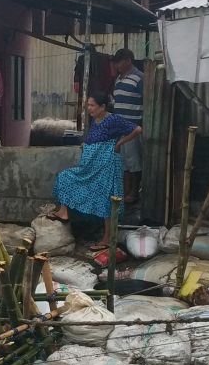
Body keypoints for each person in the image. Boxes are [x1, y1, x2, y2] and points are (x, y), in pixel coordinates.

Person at [50, 90, 142, 248]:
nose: (89, 108)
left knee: (106, 200)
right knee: (65, 177)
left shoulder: (112, 120)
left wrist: (119, 143)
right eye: (88, 105)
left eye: (92, 105)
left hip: (106, 166)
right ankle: (64, 212)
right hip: (90, 168)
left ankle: (107, 239)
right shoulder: (95, 121)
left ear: (103, 107)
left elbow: (137, 129)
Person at [110, 48, 144, 203]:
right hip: (120, 127)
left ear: (128, 61)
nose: (117, 65)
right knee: (123, 162)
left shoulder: (139, 78)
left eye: (119, 62)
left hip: (133, 127)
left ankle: (135, 193)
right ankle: (125, 192)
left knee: (134, 161)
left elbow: (146, 101)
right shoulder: (118, 80)